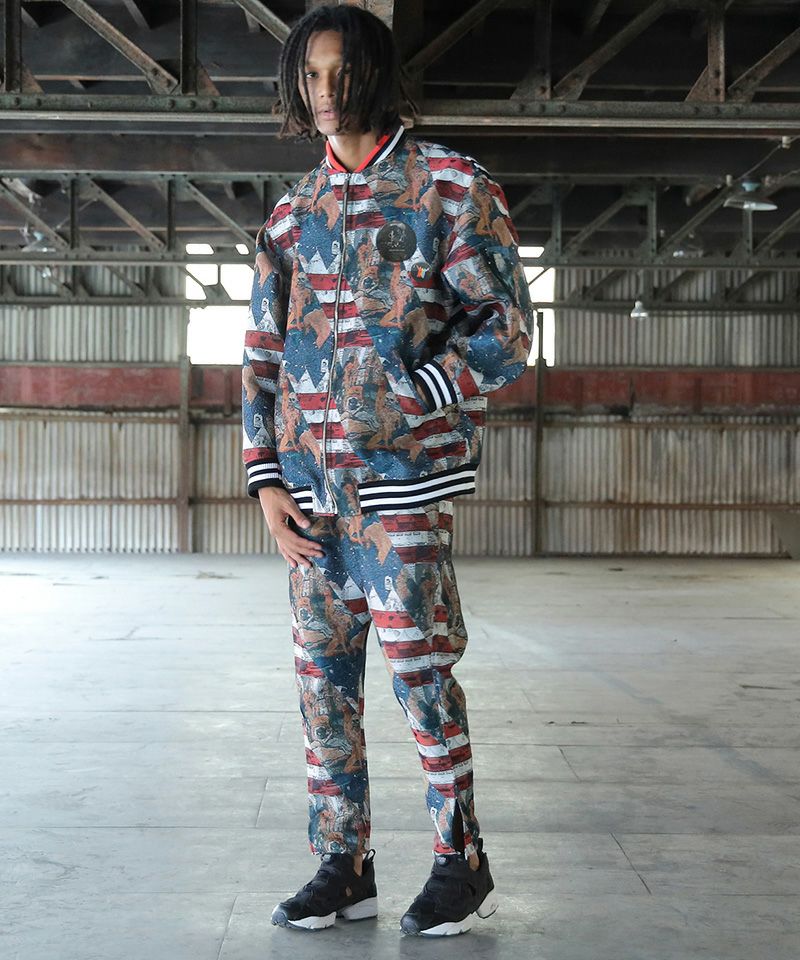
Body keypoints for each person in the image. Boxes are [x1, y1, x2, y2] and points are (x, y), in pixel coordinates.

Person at [241, 3, 533, 938]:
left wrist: (415, 395)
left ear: (375, 74)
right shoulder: (292, 214)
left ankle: (461, 861)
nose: (324, 92)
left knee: (420, 677)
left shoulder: (448, 186)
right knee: (322, 687)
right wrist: (265, 479)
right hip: (309, 501)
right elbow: (261, 354)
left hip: (400, 491)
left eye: (339, 72)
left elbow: (507, 332)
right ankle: (345, 864)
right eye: (309, 75)